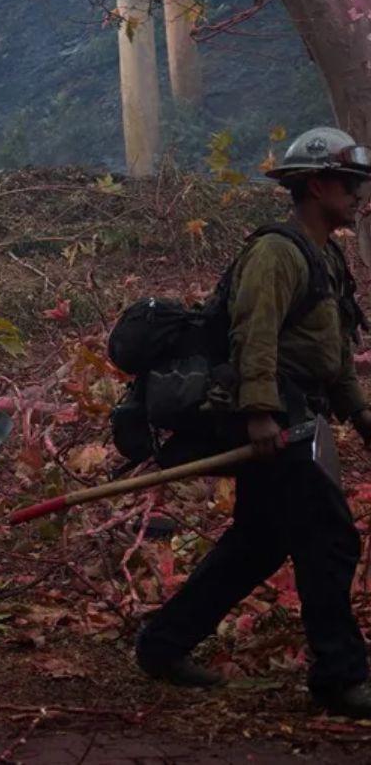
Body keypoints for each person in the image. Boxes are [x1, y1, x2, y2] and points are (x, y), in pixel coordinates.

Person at [136, 127, 371, 717]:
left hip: (301, 412)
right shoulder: (276, 252)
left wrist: (363, 415)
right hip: (277, 414)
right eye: (350, 185)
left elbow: (334, 353)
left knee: (258, 543)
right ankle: (340, 677)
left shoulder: (327, 257)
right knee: (329, 540)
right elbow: (254, 338)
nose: (360, 196)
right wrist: (262, 413)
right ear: (317, 185)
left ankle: (163, 645)